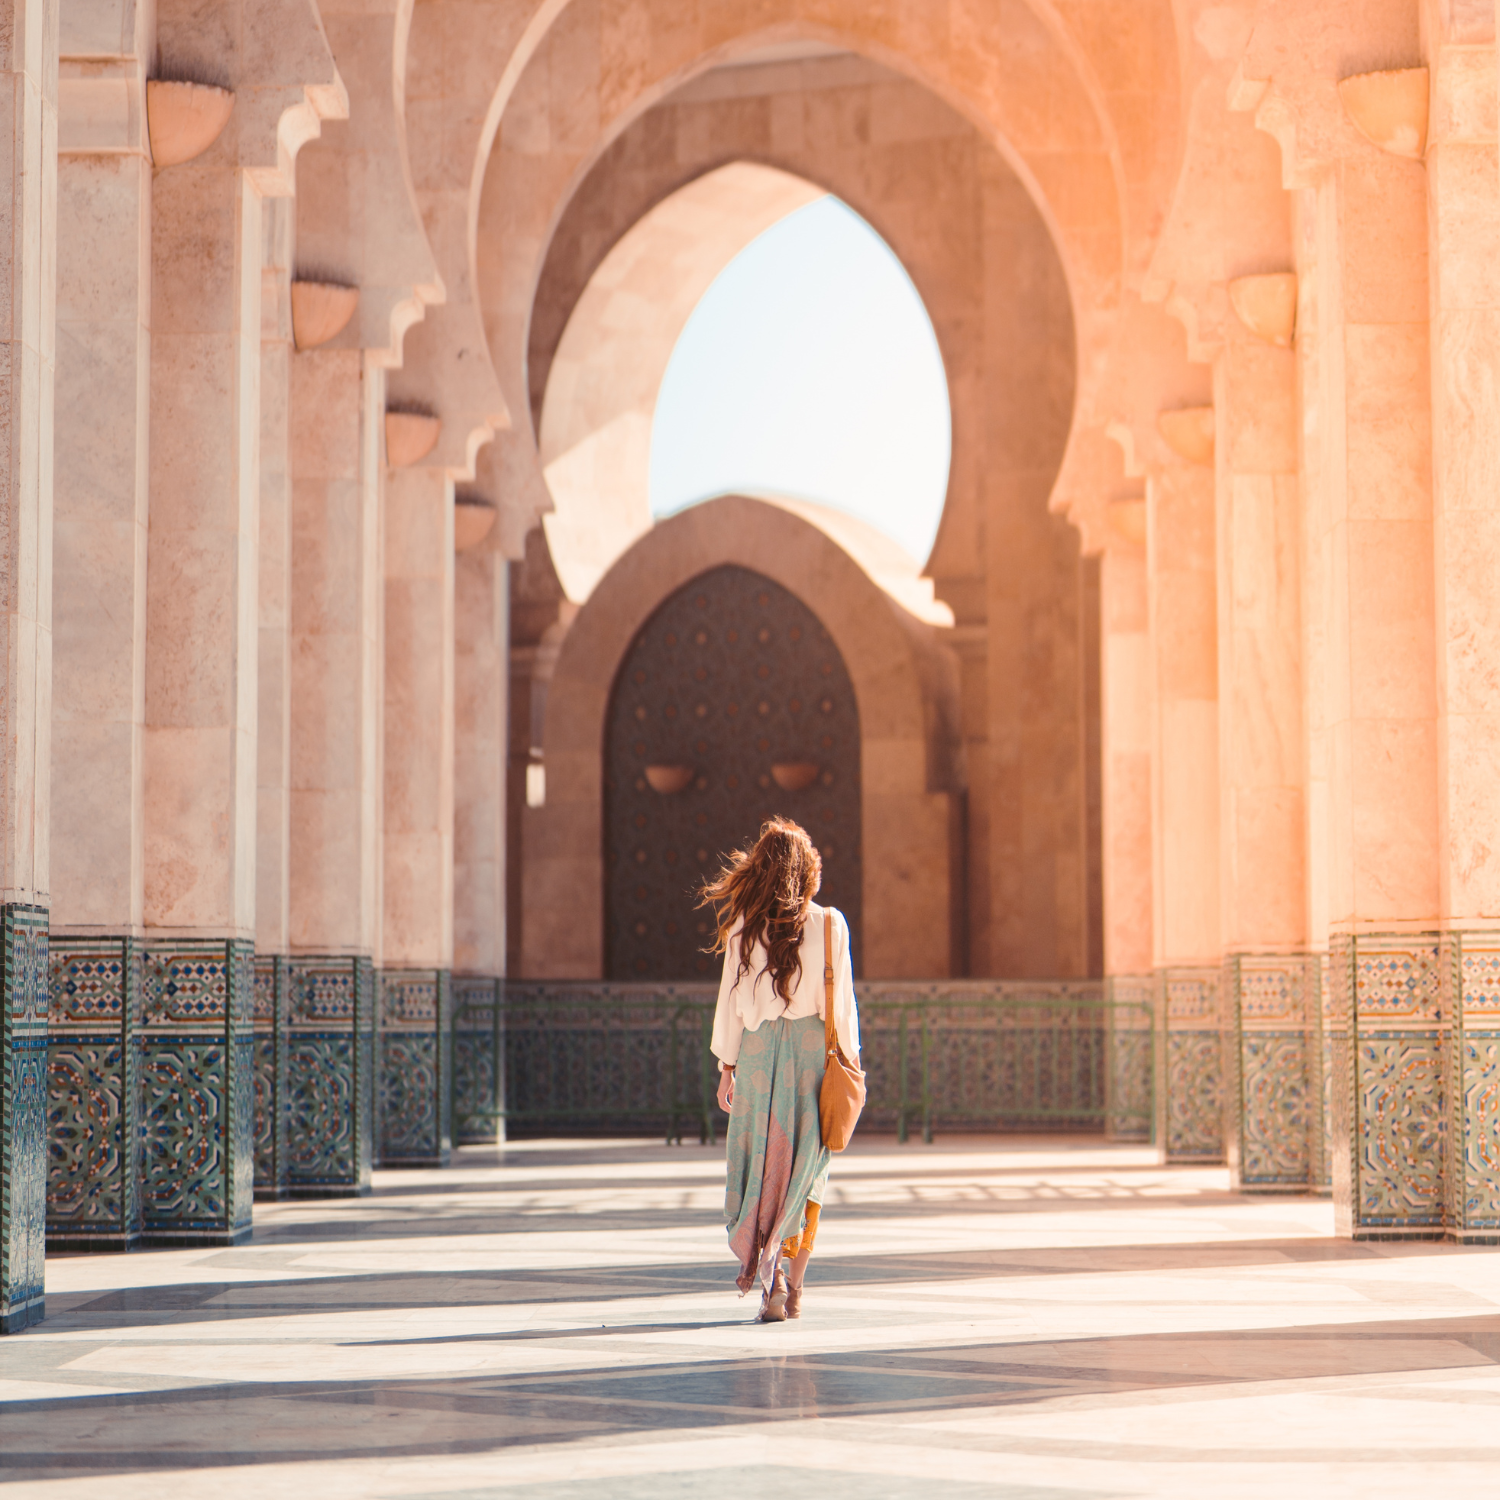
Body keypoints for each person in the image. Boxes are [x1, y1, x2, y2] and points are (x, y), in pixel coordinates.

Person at [700, 817, 860, 1322]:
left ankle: (765, 1279)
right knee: (806, 1174)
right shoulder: (831, 925)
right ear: (808, 871)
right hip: (812, 1060)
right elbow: (844, 1008)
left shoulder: (743, 929)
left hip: (756, 1061)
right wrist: (850, 1061)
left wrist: (726, 1067)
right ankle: (793, 1287)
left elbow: (730, 1006)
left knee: (761, 1171)